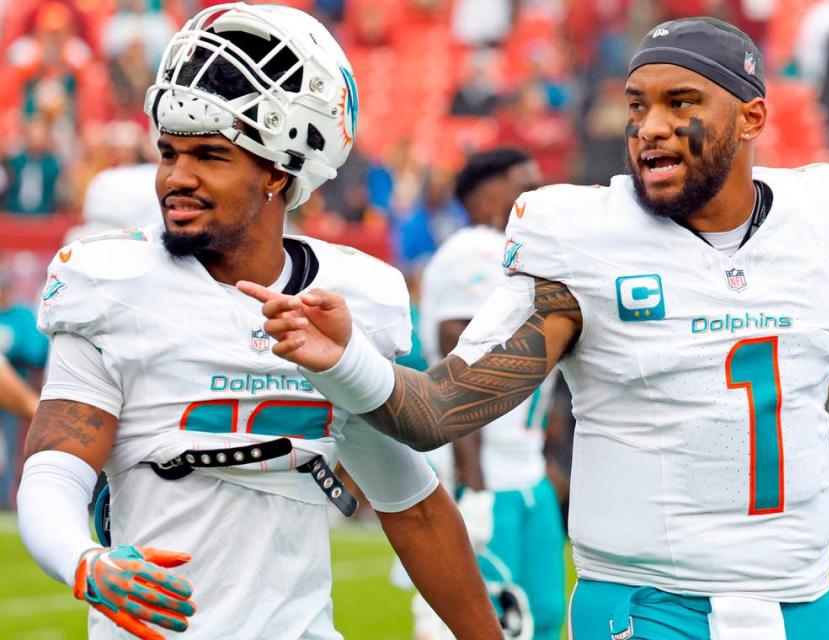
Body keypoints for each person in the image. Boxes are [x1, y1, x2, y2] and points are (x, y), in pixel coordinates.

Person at [243, 17, 829, 639]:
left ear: (752, 117)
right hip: (644, 611)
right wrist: (345, 361)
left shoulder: (828, 220)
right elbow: (440, 410)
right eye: (637, 105)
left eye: (682, 103)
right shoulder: (583, 239)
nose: (650, 126)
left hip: (804, 608)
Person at [16, 5, 499, 640]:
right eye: (169, 152)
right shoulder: (113, 287)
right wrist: (87, 562)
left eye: (210, 155)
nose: (176, 178)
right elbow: (55, 469)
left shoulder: (348, 296)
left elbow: (411, 505)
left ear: (278, 170)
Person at [416, 148, 566, 639]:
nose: (536, 197)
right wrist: (474, 486)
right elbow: (457, 375)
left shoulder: (517, 253)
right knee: (493, 623)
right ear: (485, 197)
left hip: (525, 472)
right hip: (486, 477)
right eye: (525, 185)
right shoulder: (474, 252)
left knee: (543, 615)